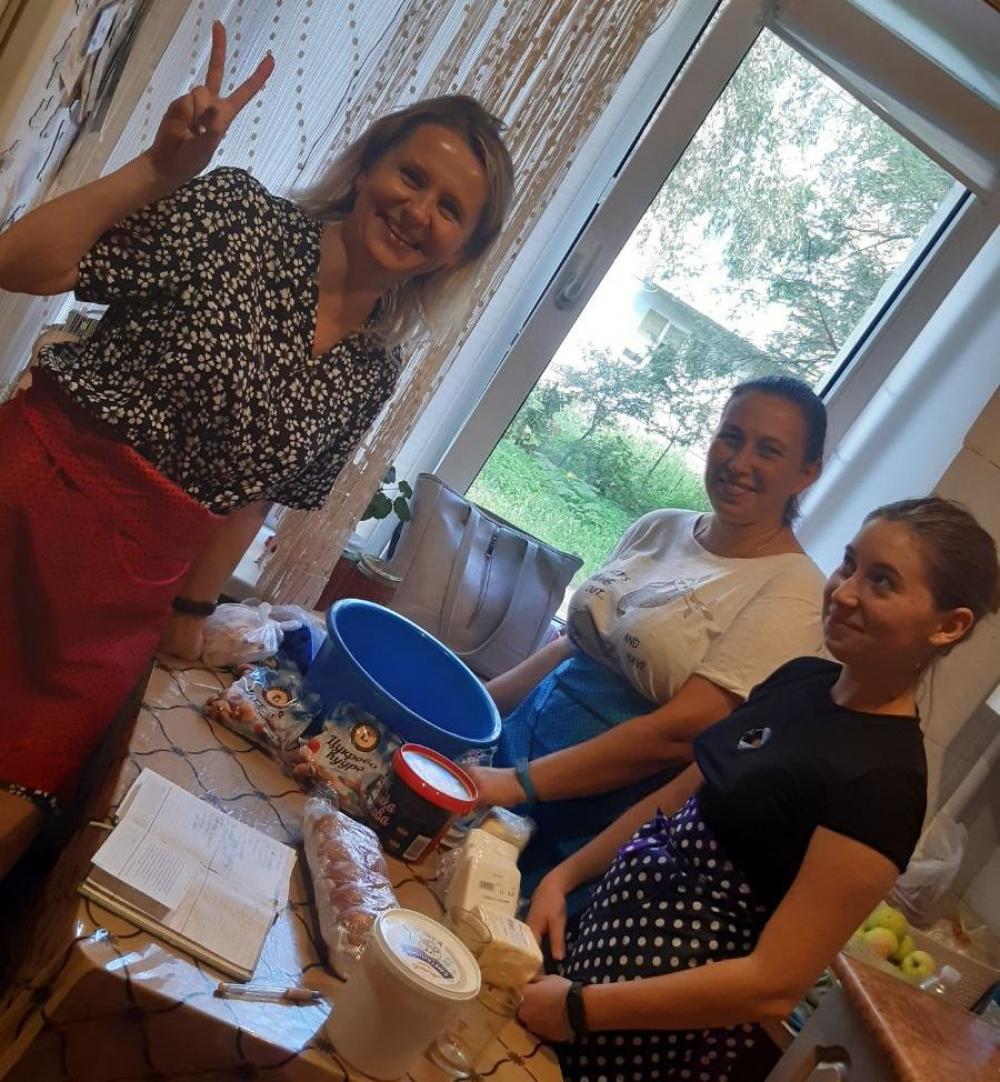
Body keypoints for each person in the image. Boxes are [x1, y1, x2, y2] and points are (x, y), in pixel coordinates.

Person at [0, 21, 514, 875]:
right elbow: (21, 262)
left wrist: (188, 620)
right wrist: (159, 170)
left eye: (450, 208)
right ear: (366, 168)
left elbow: (253, 495)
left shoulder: (371, 370)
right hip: (28, 503)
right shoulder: (237, 215)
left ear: (462, 249)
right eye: (411, 176)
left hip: (123, 600)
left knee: (25, 812)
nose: (418, 211)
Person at [516, 496, 999, 1082]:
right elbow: (676, 801)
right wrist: (564, 879)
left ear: (948, 625)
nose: (845, 592)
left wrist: (580, 1010)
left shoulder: (885, 784)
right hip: (586, 962)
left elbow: (773, 983)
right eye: (849, 564)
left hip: (649, 1039)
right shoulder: (801, 680)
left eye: (882, 582)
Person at [469, 376, 827, 898]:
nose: (739, 462)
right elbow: (574, 646)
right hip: (514, 752)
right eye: (731, 437)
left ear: (807, 472)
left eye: (768, 451)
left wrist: (520, 783)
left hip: (589, 818)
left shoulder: (795, 589)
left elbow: (678, 735)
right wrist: (472, 716)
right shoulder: (660, 527)